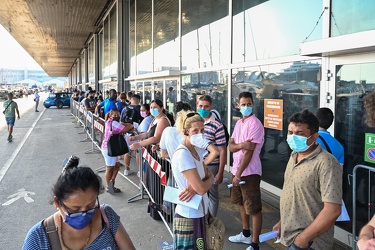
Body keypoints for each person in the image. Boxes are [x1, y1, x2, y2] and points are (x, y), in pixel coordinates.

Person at [22, 156, 135, 250]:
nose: (84, 214)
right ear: (57, 203)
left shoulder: (106, 216)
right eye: (75, 209)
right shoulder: (37, 238)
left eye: (90, 205)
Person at [273, 109, 342, 250]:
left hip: (310, 244)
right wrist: (283, 222)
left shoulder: (326, 163)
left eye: (299, 133)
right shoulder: (294, 155)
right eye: (290, 132)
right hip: (291, 238)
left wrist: (303, 240)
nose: (292, 137)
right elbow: (293, 193)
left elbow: (332, 210)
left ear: (314, 136)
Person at [171, 111, 214, 249]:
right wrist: (209, 180)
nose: (199, 134)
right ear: (186, 131)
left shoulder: (196, 150)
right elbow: (201, 188)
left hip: (199, 211)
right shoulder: (183, 155)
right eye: (195, 130)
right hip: (189, 216)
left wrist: (203, 182)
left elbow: (205, 176)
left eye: (202, 130)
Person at [228, 92, 264, 250]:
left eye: (249, 104)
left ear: (253, 105)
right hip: (237, 170)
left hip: (249, 173)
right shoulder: (239, 123)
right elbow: (231, 146)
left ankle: (255, 244)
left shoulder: (255, 124)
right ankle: (246, 234)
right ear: (238, 105)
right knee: (241, 203)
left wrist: (238, 175)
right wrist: (242, 145)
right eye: (243, 104)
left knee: (254, 208)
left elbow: (249, 152)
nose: (246, 107)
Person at [129, 99, 171, 220]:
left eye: (155, 107)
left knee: (159, 184)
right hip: (152, 157)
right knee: (152, 183)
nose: (153, 109)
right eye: (151, 107)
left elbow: (155, 137)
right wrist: (135, 137)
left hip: (159, 158)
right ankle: (155, 210)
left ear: (162, 108)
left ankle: (163, 212)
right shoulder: (155, 119)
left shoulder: (163, 120)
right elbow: (147, 134)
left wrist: (139, 144)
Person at [197, 95, 227, 216]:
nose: (203, 109)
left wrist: (220, 172)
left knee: (212, 194)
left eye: (206, 106)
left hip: (212, 166)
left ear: (211, 107)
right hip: (198, 164)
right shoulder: (196, 122)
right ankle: (202, 218)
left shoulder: (217, 126)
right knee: (199, 191)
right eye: (200, 106)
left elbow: (222, 150)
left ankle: (211, 221)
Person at [101, 108, 129, 194]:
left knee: (116, 165)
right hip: (109, 148)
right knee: (109, 168)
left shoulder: (109, 122)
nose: (117, 117)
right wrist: (131, 126)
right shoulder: (113, 123)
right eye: (115, 115)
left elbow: (120, 126)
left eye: (118, 115)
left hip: (110, 148)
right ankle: (109, 187)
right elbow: (124, 129)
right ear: (110, 115)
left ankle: (111, 183)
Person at [120, 94, 142, 175]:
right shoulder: (140, 109)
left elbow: (121, 122)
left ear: (131, 100)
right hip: (137, 134)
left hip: (126, 134)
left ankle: (126, 170)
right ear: (139, 100)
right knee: (138, 152)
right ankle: (139, 171)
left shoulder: (125, 108)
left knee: (127, 152)